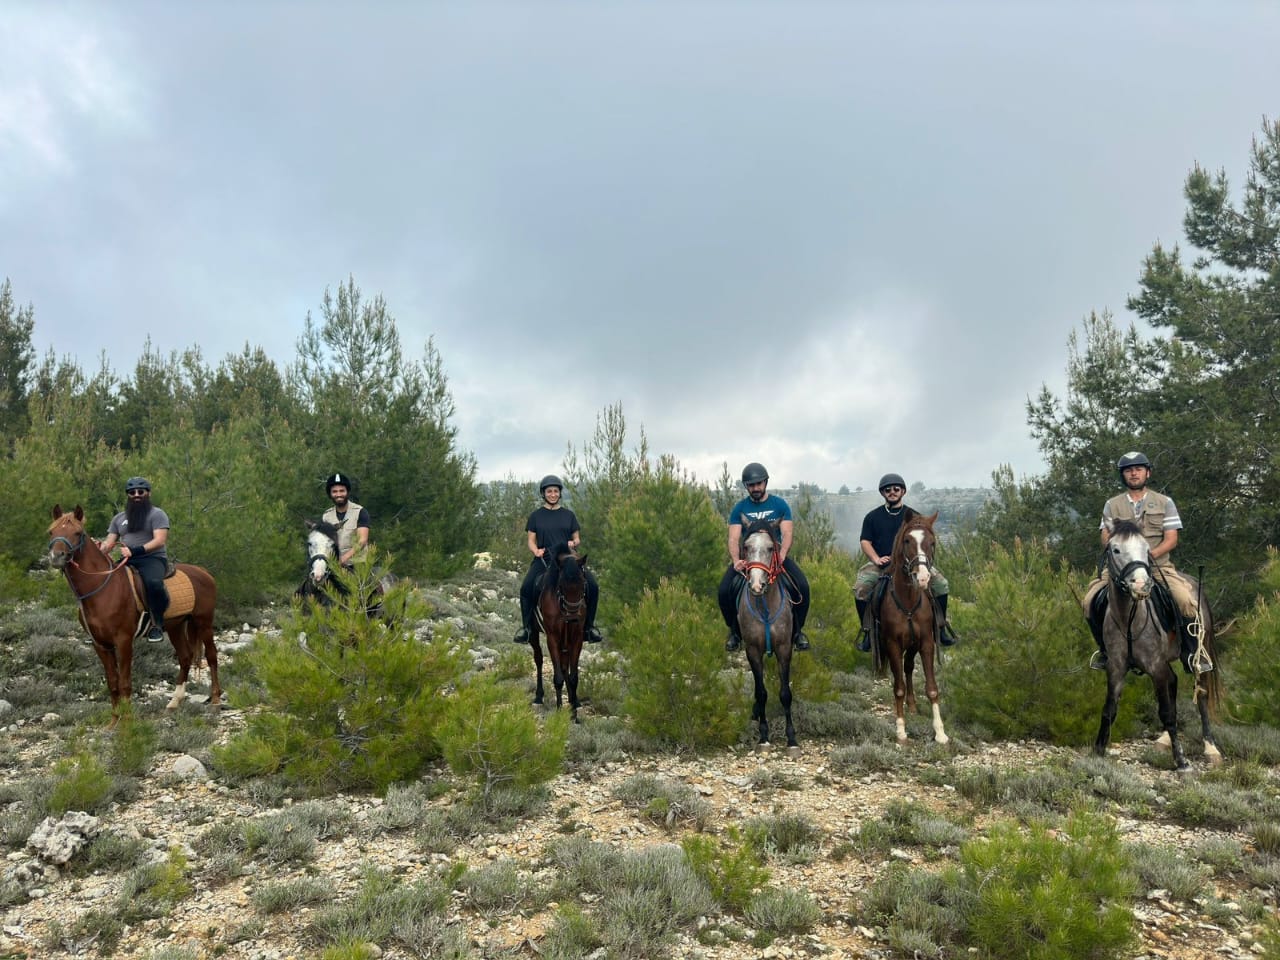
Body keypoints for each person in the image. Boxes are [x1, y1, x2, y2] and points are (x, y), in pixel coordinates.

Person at [1082, 451, 1210, 672]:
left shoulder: (1164, 502)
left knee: (1186, 602)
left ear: (1147, 473)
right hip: (1120, 568)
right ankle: (1105, 652)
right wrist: (1124, 554)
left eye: (1138, 469)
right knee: (1088, 602)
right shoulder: (1112, 505)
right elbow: (1105, 537)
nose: (1134, 473)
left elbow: (1171, 539)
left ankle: (1192, 654)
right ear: (1123, 476)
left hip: (1158, 566)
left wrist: (1146, 557)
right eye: (1129, 470)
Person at [854, 473, 957, 652]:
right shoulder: (872, 517)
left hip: (912, 563)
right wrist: (876, 558)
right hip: (883, 563)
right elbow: (865, 541)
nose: (892, 492)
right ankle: (868, 632)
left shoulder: (913, 516)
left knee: (941, 584)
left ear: (903, 491)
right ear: (883, 493)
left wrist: (923, 562)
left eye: (896, 489)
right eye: (888, 489)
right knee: (861, 588)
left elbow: (924, 540)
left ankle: (940, 628)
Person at [718, 462, 811, 652]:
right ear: (746, 487)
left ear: (765, 483)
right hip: (749, 558)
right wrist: (736, 561)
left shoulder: (779, 505)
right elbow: (734, 537)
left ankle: (798, 632)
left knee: (802, 586)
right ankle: (735, 633)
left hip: (773, 557)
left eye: (759, 484)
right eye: (751, 485)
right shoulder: (740, 508)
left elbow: (787, 533)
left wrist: (782, 554)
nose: (756, 488)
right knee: (724, 591)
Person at [513, 475, 604, 644]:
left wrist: (573, 542)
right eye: (549, 491)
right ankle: (527, 629)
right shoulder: (536, 516)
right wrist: (536, 550)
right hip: (545, 560)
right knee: (526, 588)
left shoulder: (569, 515)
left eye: (556, 491)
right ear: (543, 493)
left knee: (593, 585)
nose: (553, 494)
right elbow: (531, 540)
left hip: (568, 561)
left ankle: (589, 627)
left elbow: (577, 538)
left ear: (560, 493)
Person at [99, 476, 170, 642]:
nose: (136, 494)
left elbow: (160, 540)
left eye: (140, 491)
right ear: (128, 495)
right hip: (128, 560)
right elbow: (109, 543)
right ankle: (103, 625)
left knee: (154, 584)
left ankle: (157, 625)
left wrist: (135, 550)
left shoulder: (157, 514)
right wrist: (100, 548)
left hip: (153, 559)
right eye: (132, 492)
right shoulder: (119, 518)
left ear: (148, 493)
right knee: (105, 582)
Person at [322, 472, 370, 569]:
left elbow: (362, 540)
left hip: (358, 564)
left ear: (347, 492)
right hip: (334, 565)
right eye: (334, 491)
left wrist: (343, 558)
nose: (338, 494)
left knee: (363, 583)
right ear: (330, 494)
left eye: (342, 491)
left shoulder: (360, 512)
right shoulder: (326, 516)